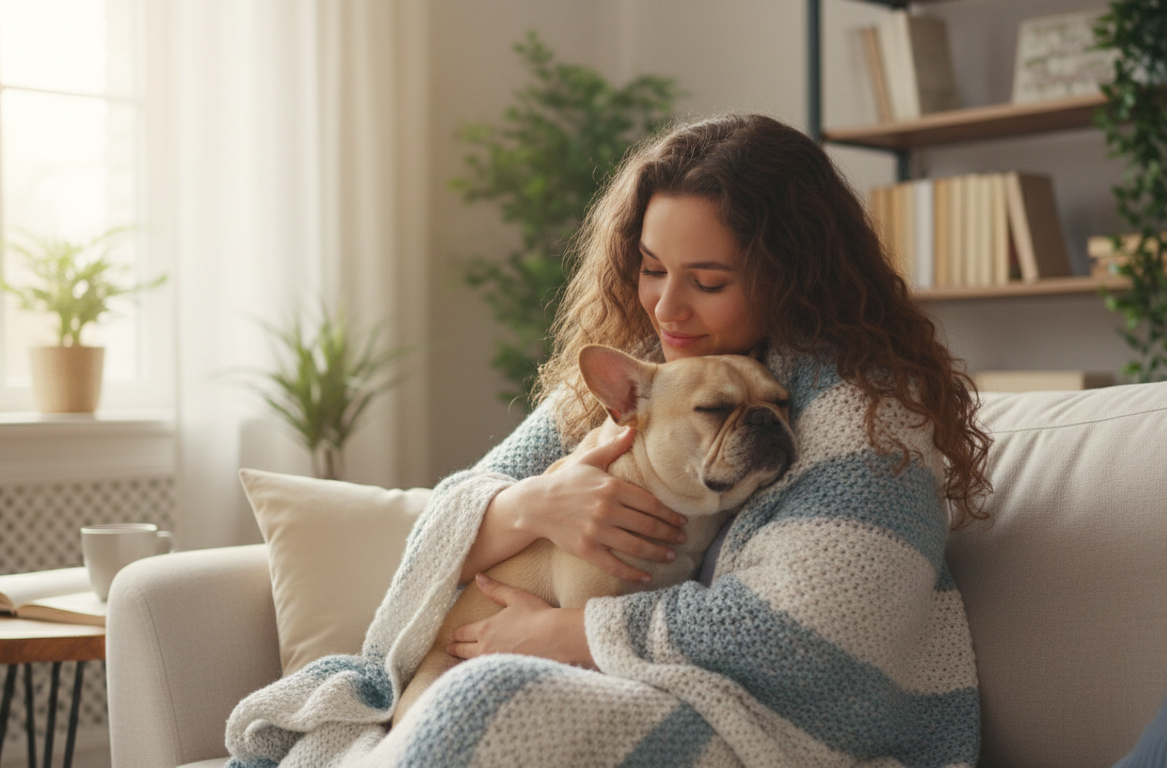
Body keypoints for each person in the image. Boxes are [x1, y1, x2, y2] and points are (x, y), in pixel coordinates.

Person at [225, 113, 993, 768]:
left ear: (793, 275)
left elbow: (808, 640)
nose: (668, 307)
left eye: (710, 281)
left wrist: (564, 632)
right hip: (635, 681)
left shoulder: (868, 421)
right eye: (651, 269)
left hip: (773, 726)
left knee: (489, 700)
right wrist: (535, 505)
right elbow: (440, 525)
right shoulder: (630, 387)